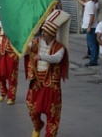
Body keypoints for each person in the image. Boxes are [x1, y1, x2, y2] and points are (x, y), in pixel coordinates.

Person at [25, 9, 70, 137]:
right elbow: (26, 49)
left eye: (46, 32)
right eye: (43, 31)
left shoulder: (59, 47)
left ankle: (50, 135)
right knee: (31, 106)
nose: (43, 34)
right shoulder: (36, 43)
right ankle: (38, 126)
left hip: (51, 84)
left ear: (53, 34)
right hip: (36, 81)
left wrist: (42, 57)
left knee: (52, 112)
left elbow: (57, 58)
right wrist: (22, 44)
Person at [0, 15, 19, 105]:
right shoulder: (0, 25)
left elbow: (5, 26)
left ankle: (11, 96)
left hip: (11, 54)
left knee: (11, 76)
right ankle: (3, 92)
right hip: (1, 53)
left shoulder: (15, 24)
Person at [74, 0, 98, 67]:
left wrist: (89, 26)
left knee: (92, 44)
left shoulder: (90, 4)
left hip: (91, 27)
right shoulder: (89, 3)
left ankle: (93, 60)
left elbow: (92, 16)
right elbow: (83, 3)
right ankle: (94, 58)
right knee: (93, 44)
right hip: (91, 26)